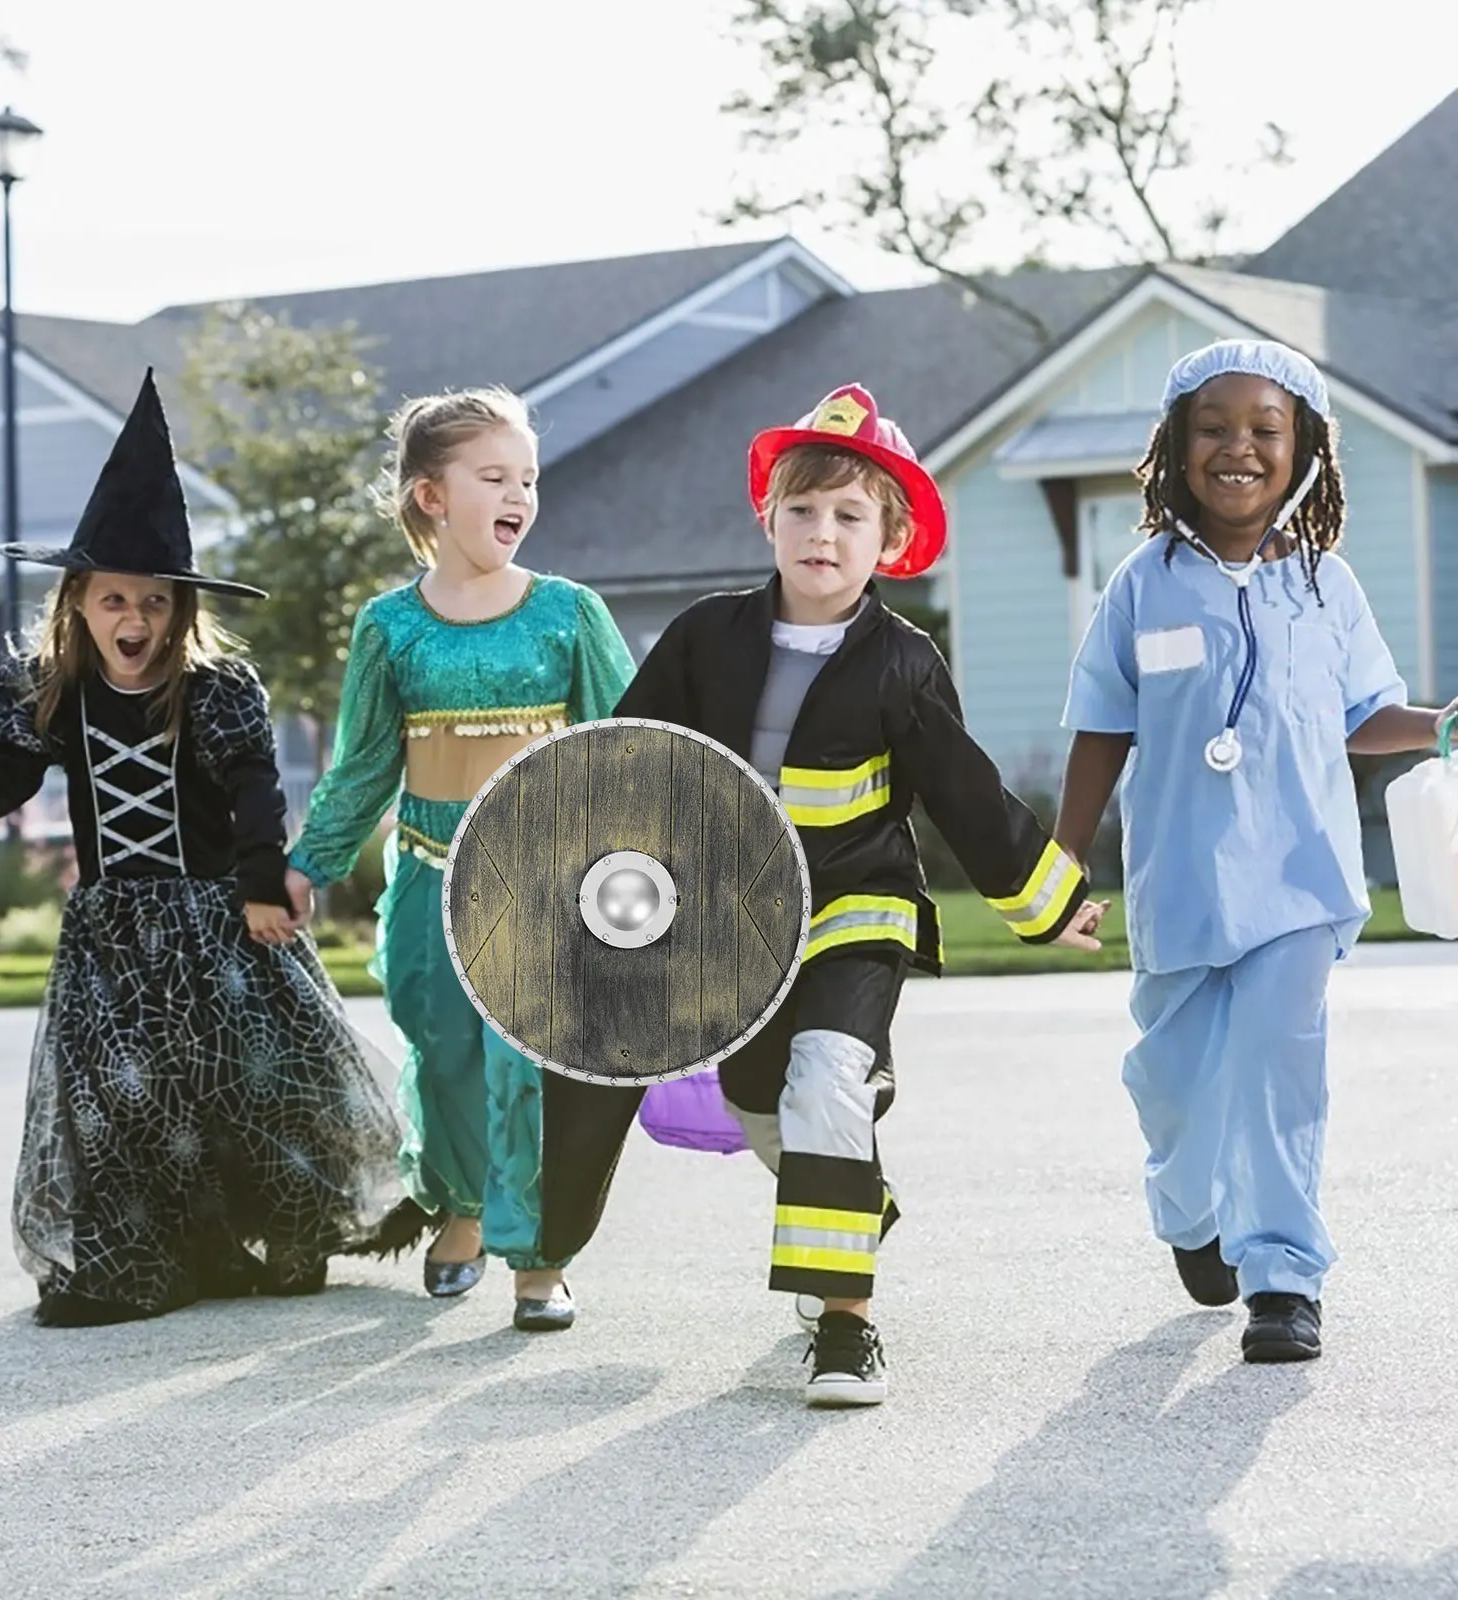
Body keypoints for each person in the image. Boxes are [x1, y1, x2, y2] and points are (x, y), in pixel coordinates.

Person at [538, 383, 1109, 1405]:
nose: (822, 531)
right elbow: (625, 761)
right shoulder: (703, 638)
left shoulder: (902, 661)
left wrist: (1048, 900)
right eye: (802, 509)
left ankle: (844, 1326)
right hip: (729, 921)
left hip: (857, 906)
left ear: (887, 539)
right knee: (766, 1106)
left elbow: (965, 792)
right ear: (768, 520)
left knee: (828, 1080)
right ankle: (845, 1202)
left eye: (851, 514)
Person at [0, 370, 409, 1328]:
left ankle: (281, 1242)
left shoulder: (215, 688)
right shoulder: (50, 691)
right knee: (121, 1096)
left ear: (179, 610)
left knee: (252, 1080)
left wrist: (260, 887)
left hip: (216, 917)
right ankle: (140, 1261)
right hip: (113, 930)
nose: (135, 622)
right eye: (115, 600)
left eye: (154, 603)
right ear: (79, 602)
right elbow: (1, 791)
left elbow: (253, 790)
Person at [1055, 339, 1458, 1364]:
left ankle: (1283, 1274)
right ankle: (1190, 1212)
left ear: (1304, 449)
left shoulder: (1327, 586)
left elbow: (1362, 712)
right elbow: (1103, 727)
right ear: (1175, 448)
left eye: (1264, 429)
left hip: (1300, 878)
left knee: (1283, 1070)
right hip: (1182, 885)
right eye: (1212, 427)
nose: (1238, 447)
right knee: (1174, 1081)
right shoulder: (1142, 584)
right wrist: (1059, 864)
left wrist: (1438, 724)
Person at [284, 386, 636, 1332]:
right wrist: (309, 861)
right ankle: (462, 1205)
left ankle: (539, 1255)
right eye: (494, 476)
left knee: (524, 1064)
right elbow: (363, 764)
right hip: (430, 872)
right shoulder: (388, 627)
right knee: (440, 1050)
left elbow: (629, 747)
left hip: (544, 879)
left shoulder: (569, 613)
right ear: (432, 497)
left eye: (528, 477)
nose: (518, 493)